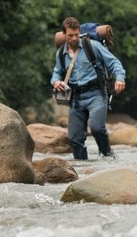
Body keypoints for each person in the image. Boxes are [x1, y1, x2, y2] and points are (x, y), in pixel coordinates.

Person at [51, 17, 126, 160]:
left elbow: (114, 63)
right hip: (76, 98)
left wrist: (120, 79)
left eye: (76, 34)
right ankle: (83, 168)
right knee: (74, 139)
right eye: (70, 35)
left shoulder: (92, 46)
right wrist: (55, 82)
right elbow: (56, 73)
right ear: (64, 34)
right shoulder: (61, 53)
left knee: (97, 128)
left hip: (96, 94)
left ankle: (107, 156)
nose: (74, 38)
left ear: (79, 32)